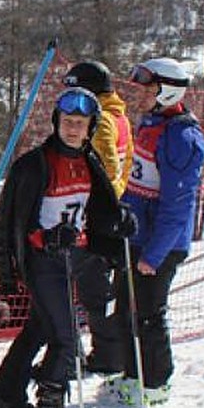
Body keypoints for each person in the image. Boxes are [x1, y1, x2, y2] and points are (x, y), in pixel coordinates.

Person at [0, 87, 128, 408]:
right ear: (56, 122)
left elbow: (97, 213)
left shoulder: (89, 162)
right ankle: (52, 405)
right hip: (42, 260)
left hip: (74, 257)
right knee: (66, 337)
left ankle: (5, 400)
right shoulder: (35, 166)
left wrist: (118, 225)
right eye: (67, 122)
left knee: (39, 328)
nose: (72, 129)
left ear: (91, 127)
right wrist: (44, 241)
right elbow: (12, 223)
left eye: (80, 123)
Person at [104, 57, 204, 406]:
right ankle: (134, 375)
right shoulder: (151, 123)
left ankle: (156, 383)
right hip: (137, 235)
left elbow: (178, 204)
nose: (140, 95)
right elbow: (138, 181)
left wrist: (154, 254)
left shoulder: (182, 137)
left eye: (148, 89)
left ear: (167, 91)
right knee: (125, 310)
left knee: (148, 314)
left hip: (159, 244)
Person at [61, 60, 135, 374]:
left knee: (67, 284)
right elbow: (125, 164)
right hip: (102, 214)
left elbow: (104, 168)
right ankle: (105, 353)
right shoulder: (119, 117)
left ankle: (71, 355)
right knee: (93, 288)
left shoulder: (102, 120)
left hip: (88, 216)